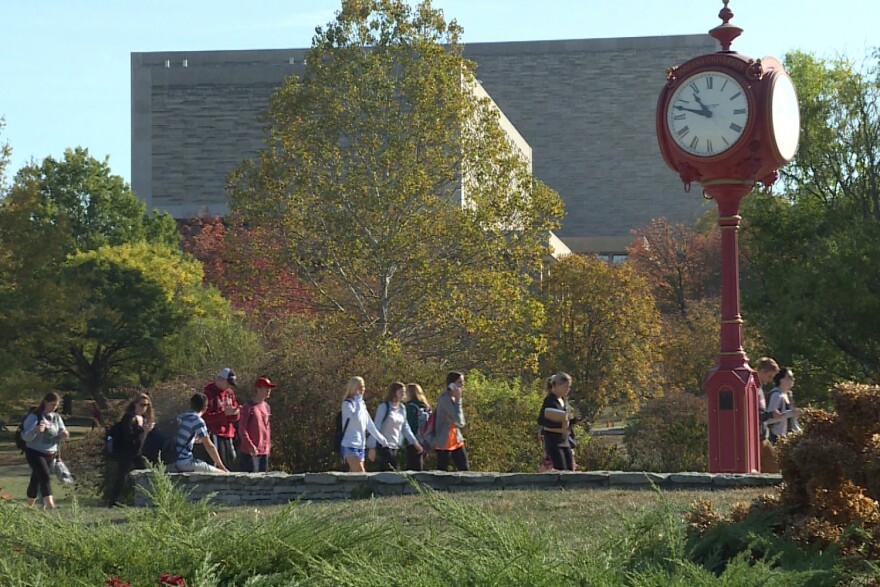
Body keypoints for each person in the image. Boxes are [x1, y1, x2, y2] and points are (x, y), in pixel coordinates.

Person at [20, 392, 69, 509]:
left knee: (36, 479)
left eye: (56, 405)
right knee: (45, 476)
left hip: (50, 452)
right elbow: (25, 436)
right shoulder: (34, 416)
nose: (54, 407)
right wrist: (36, 430)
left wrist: (64, 434)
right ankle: (50, 505)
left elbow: (63, 432)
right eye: (52, 404)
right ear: (45, 402)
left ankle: (29, 505)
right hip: (34, 451)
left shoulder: (56, 417)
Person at [108, 392, 155, 507]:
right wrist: (142, 430)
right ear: (135, 404)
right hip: (125, 450)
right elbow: (128, 436)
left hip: (136, 451)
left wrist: (146, 431)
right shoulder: (129, 417)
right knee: (122, 476)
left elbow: (141, 438)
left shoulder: (142, 418)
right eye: (141, 404)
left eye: (146, 405)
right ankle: (113, 502)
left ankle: (148, 499)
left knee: (144, 472)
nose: (144, 408)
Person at [367, 382, 423, 471]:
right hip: (384, 445)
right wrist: (372, 447)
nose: (403, 394)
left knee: (387, 473)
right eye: (401, 392)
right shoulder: (384, 407)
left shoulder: (402, 408)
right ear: (394, 392)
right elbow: (376, 427)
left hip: (395, 445)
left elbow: (405, 427)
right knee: (394, 470)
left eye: (404, 392)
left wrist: (415, 442)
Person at [339, 376, 389, 473]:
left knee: (356, 476)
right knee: (361, 473)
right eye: (359, 387)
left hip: (360, 445)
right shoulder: (347, 404)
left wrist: (381, 439)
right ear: (353, 388)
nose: (362, 390)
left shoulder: (361, 404)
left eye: (363, 387)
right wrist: (358, 402)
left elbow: (369, 424)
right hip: (349, 444)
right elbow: (355, 418)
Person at [172, 393, 229, 473]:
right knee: (221, 473)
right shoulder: (197, 420)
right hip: (184, 462)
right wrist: (222, 467)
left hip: (172, 460)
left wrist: (194, 440)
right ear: (205, 408)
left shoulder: (181, 417)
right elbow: (210, 446)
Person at [202, 367, 240, 470]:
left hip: (229, 433)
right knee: (218, 465)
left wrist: (235, 413)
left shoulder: (230, 393)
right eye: (228, 383)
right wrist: (224, 414)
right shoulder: (208, 394)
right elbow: (205, 418)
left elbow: (235, 416)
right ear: (220, 379)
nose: (229, 386)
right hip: (216, 434)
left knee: (231, 463)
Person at [538, 373, 575, 471]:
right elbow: (542, 421)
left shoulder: (564, 400)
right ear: (555, 385)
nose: (568, 389)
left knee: (570, 470)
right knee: (560, 471)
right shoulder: (550, 401)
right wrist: (560, 426)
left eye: (569, 387)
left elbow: (567, 423)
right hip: (554, 442)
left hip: (565, 441)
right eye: (565, 386)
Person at [433, 372, 470, 471]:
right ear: (451, 385)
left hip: (456, 439)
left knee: (465, 470)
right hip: (444, 442)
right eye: (459, 382)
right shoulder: (445, 399)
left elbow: (460, 422)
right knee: (442, 472)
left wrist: (454, 419)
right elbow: (459, 420)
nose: (462, 385)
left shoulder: (453, 399)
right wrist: (458, 400)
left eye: (463, 382)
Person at [238, 376, 275, 473]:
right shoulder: (248, 407)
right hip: (250, 452)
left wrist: (268, 446)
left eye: (269, 388)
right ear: (258, 389)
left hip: (264, 451)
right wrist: (250, 445)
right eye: (266, 388)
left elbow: (267, 428)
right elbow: (242, 429)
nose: (268, 390)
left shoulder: (267, 407)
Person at [766, 366, 803, 445]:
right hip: (776, 438)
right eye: (789, 377)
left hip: (787, 438)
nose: (793, 379)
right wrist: (790, 413)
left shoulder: (788, 395)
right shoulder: (776, 395)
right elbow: (768, 420)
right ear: (781, 379)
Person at [404, 383, 431, 471]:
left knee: (412, 466)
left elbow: (408, 424)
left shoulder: (410, 407)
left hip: (414, 440)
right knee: (419, 464)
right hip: (426, 440)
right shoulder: (426, 407)